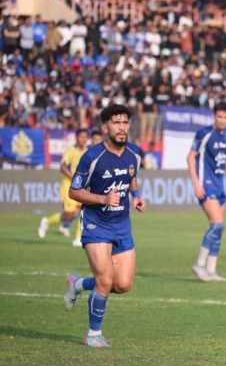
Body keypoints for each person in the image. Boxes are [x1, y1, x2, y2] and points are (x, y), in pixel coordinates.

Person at [62, 104, 146, 347]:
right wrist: (101, 199)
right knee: (106, 280)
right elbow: (74, 191)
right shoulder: (92, 156)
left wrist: (136, 195)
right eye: (116, 122)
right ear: (105, 127)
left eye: (125, 122)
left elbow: (131, 177)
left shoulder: (135, 154)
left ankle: (78, 285)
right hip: (96, 225)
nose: (122, 127)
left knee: (123, 284)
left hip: (122, 225)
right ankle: (93, 334)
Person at [187, 101, 226, 281]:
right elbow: (190, 158)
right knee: (218, 224)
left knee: (218, 229)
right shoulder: (204, 134)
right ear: (214, 116)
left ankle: (211, 270)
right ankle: (200, 264)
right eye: (219, 116)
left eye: (225, 117)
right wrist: (196, 183)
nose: (222, 120)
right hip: (206, 185)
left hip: (220, 187)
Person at [38, 128, 89, 242]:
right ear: (77, 138)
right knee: (69, 215)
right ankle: (47, 221)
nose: (84, 139)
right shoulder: (71, 150)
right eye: (81, 137)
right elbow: (62, 167)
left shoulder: (87, 151)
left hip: (81, 187)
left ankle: (78, 239)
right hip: (69, 185)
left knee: (82, 210)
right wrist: (75, 179)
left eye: (85, 137)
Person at [71, 129, 105, 247]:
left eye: (98, 139)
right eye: (94, 139)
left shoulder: (104, 153)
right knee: (80, 209)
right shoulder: (88, 153)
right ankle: (78, 237)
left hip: (97, 187)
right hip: (83, 185)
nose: (96, 141)